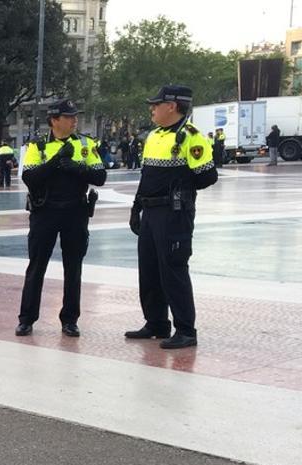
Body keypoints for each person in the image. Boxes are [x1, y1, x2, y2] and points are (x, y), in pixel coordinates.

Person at [126, 84, 218, 350]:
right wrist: (136, 207)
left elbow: (208, 177)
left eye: (156, 105)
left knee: (174, 269)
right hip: (151, 211)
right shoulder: (154, 136)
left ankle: (186, 329)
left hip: (174, 213)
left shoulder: (192, 137)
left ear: (172, 106)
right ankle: (156, 323)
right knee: (149, 268)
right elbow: (147, 176)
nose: (152, 109)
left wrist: (182, 182)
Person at [15, 99, 107, 338]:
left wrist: (76, 167)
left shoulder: (86, 144)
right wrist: (56, 162)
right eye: (69, 117)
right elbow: (30, 178)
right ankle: (26, 318)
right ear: (54, 120)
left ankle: (70, 319)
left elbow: (100, 176)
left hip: (75, 211)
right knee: (37, 266)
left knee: (73, 267)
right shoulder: (38, 146)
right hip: (45, 211)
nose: (74, 120)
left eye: (75, 116)